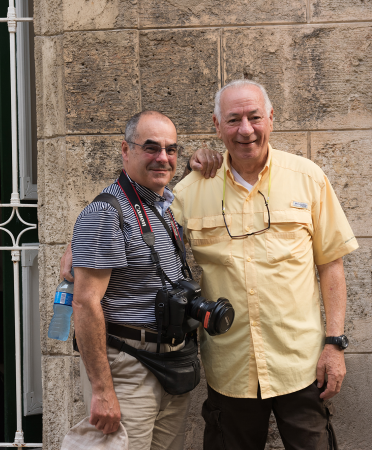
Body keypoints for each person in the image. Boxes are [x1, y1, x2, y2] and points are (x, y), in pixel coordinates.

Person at [171, 79, 358, 450]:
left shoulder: (307, 178)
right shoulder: (190, 190)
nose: (246, 130)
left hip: (301, 365)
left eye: (254, 117)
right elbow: (141, 235)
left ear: (271, 118)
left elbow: (331, 266)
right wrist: (81, 243)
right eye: (233, 120)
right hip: (230, 368)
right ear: (217, 125)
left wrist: (334, 345)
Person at [68, 110, 220, 450]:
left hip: (172, 363)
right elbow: (85, 302)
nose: (162, 158)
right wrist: (102, 390)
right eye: (151, 148)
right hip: (127, 369)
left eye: (171, 149)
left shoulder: (164, 205)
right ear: (126, 150)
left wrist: (199, 164)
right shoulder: (106, 212)